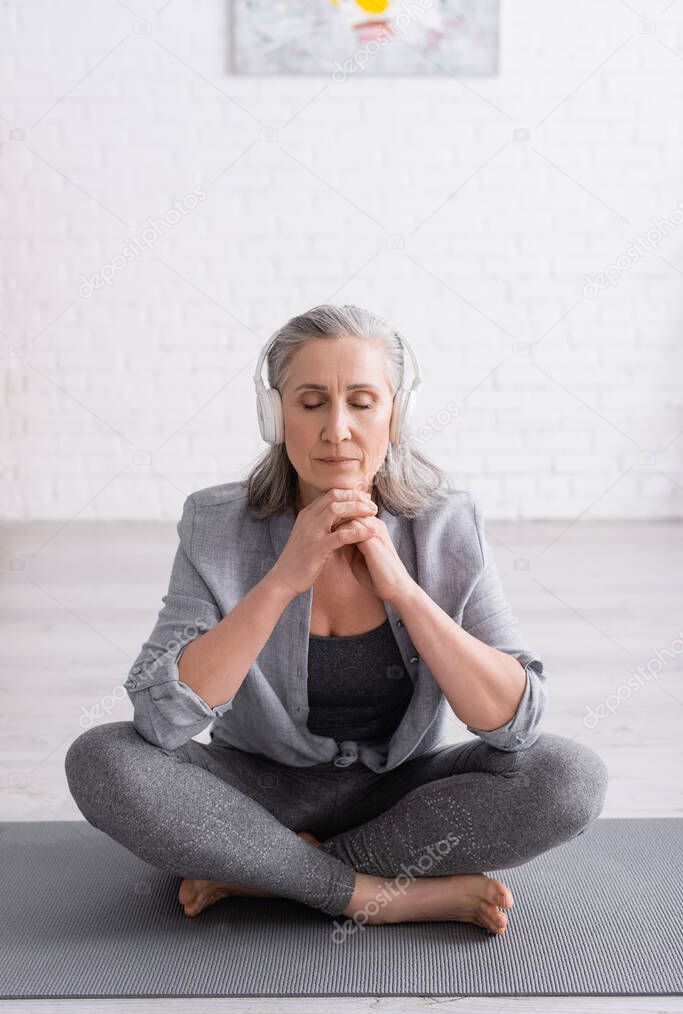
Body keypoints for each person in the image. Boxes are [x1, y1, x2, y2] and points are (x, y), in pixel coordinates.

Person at [64, 303, 608, 936]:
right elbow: (161, 721)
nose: (338, 430)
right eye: (312, 401)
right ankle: (378, 894)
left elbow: (516, 725)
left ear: (396, 413)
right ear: (275, 414)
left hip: (401, 796)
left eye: (363, 401)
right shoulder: (215, 524)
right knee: (101, 758)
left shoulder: (446, 524)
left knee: (570, 777)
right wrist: (282, 581)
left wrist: (404, 591)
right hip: (255, 790)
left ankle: (267, 873)